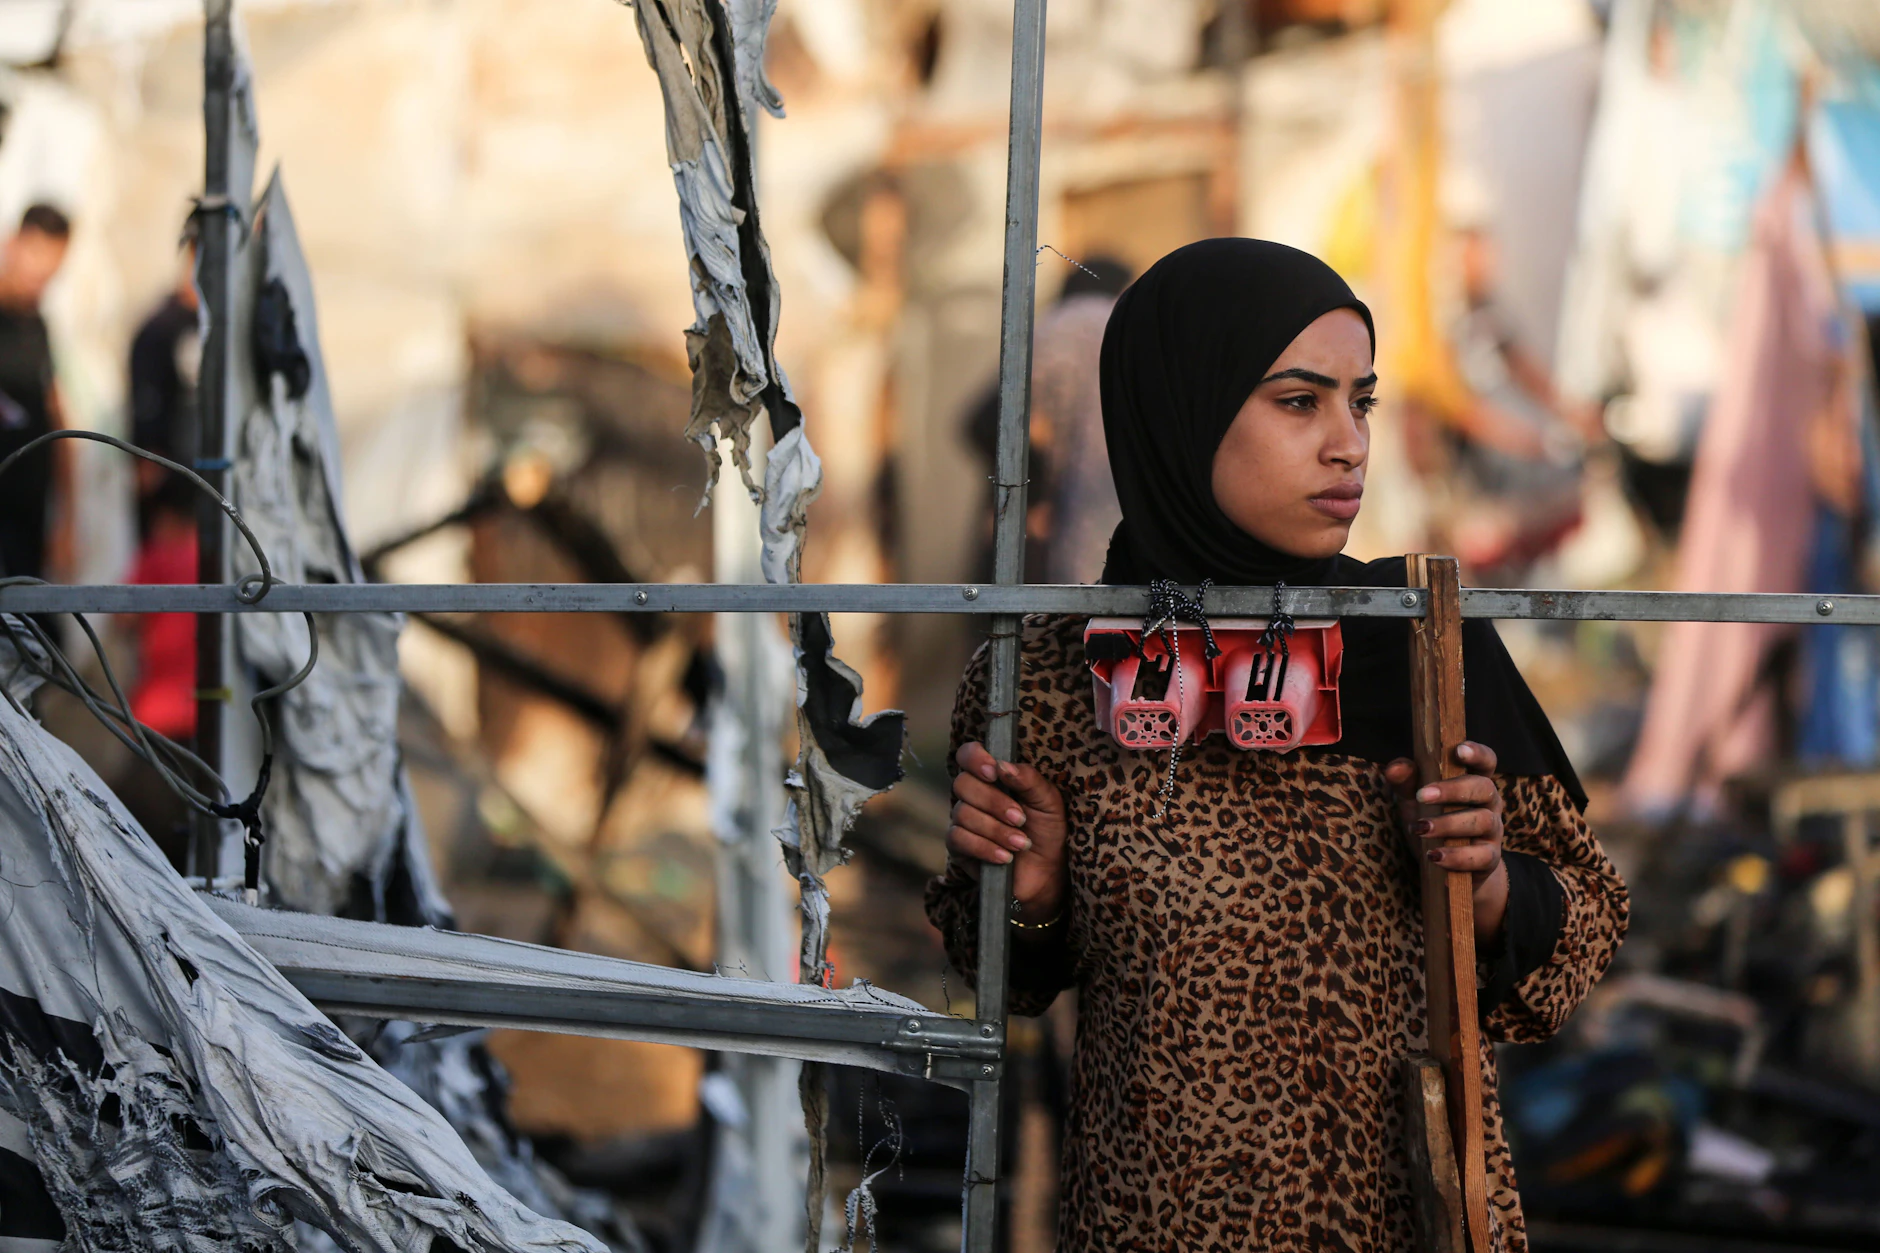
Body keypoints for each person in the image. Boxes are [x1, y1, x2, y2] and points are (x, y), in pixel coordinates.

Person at [925, 240, 1627, 1250]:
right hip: (1147, 1222)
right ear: (1184, 406)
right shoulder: (1050, 674)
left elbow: (1585, 927)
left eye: (1360, 402)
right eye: (1299, 402)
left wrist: (1485, 889)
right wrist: (1030, 901)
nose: (1347, 444)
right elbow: (1006, 973)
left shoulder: (1418, 643)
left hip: (1394, 1219)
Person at [0, 203, 71, 580]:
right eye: (35, 265)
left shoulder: (37, 325)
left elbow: (57, 421)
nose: (39, 282)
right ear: (13, 244)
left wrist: (67, 522)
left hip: (29, 519)